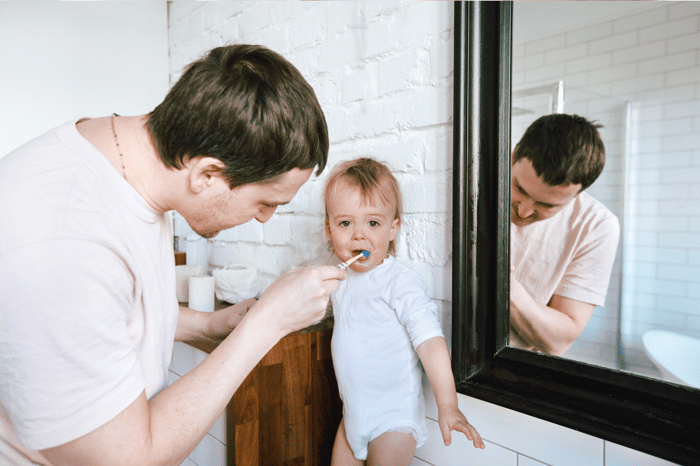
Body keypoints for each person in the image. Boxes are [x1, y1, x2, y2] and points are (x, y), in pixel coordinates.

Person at [0, 44, 346, 466]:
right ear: (207, 174)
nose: (264, 220)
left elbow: (108, 315)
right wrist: (264, 325)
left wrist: (209, 324)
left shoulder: (126, 164)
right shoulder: (68, 241)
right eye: (265, 202)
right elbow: (128, 459)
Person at [323, 158, 484, 466]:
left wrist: (447, 404)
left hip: (393, 419)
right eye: (345, 223)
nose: (358, 235)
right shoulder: (338, 277)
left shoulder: (399, 281)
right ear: (328, 229)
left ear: (392, 228)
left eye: (372, 223)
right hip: (352, 416)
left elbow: (430, 341)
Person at [509, 113, 620, 356]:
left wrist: (504, 286)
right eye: (519, 188)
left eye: (547, 205)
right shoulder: (471, 180)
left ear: (577, 194)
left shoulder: (596, 225)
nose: (524, 211)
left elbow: (558, 342)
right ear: (514, 153)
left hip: (509, 374)